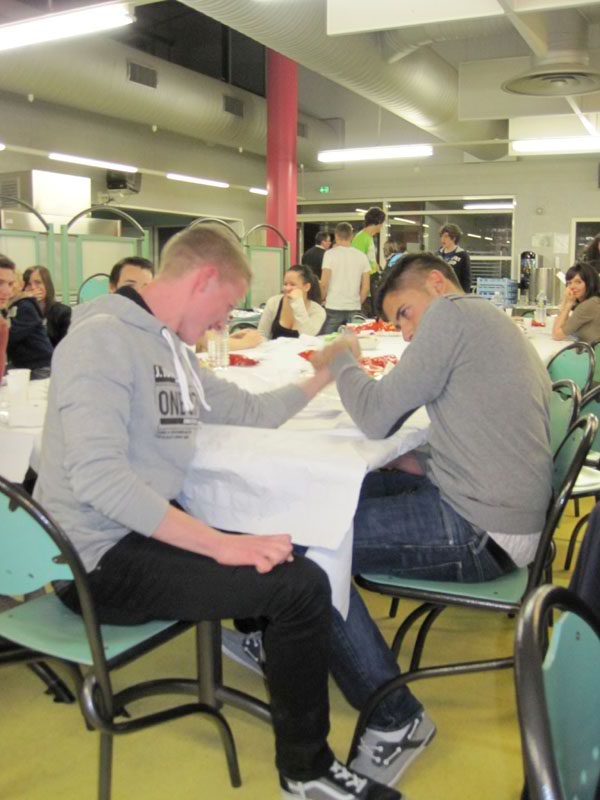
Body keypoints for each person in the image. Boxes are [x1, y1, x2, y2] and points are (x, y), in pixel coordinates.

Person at [33, 225, 399, 800]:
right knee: (298, 587)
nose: (223, 322)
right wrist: (221, 544)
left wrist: (323, 376)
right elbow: (100, 480)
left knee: (290, 548)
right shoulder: (100, 340)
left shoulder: (171, 349)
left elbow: (250, 411)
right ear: (203, 279)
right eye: (225, 306)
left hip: (135, 536)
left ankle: (268, 657)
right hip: (92, 562)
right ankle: (306, 771)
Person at [307, 252, 550, 787]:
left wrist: (342, 358)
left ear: (437, 284)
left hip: (481, 528)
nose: (406, 333)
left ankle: (397, 719)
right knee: (330, 496)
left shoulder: (451, 315)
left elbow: (375, 416)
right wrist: (419, 461)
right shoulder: (485, 319)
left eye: (405, 314)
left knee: (312, 549)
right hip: (502, 509)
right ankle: (284, 630)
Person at [0, 254, 54, 378]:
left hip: (39, 365)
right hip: (23, 364)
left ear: (21, 285)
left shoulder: (25, 306)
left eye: (11, 284)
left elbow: (10, 336)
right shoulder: (10, 308)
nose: (7, 291)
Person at [320, 222, 371, 334]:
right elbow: (366, 287)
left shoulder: (329, 254)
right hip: (354, 307)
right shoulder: (362, 256)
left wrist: (322, 298)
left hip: (333, 306)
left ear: (336, 236)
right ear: (352, 236)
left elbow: (324, 283)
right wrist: (357, 302)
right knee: (354, 341)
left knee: (328, 341)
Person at [258, 264, 325, 340]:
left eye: (292, 284)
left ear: (306, 287)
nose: (287, 288)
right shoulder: (273, 302)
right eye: (285, 284)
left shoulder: (318, 311)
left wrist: (298, 302)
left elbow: (308, 336)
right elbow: (262, 334)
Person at [552, 261, 600, 345]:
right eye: (569, 283)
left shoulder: (588, 305)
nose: (572, 286)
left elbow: (557, 335)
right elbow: (562, 326)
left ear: (590, 283)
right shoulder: (594, 301)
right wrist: (565, 300)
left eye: (578, 282)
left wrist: (568, 304)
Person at [23, 265, 71, 347]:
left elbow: (65, 346)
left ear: (47, 285)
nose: (33, 287)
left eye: (38, 282)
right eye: (28, 284)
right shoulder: (22, 312)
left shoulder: (63, 312)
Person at [438, 223, 471, 293]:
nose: (442, 239)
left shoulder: (462, 255)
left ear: (454, 238)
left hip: (455, 294)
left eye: (446, 236)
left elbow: (466, 280)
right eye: (441, 236)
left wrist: (464, 295)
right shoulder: (437, 255)